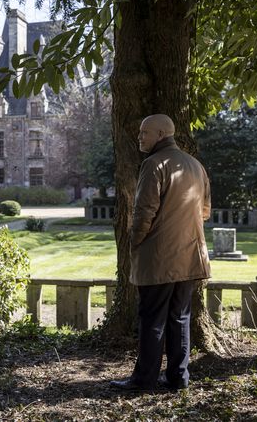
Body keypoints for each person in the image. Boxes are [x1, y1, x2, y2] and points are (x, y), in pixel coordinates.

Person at [110, 114, 211, 391]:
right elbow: (204, 211)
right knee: (180, 317)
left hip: (159, 257)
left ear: (162, 134)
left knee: (152, 318)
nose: (140, 137)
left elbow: (144, 212)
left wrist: (134, 244)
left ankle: (144, 380)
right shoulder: (196, 166)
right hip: (190, 255)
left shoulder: (154, 164)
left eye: (145, 132)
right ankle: (179, 378)